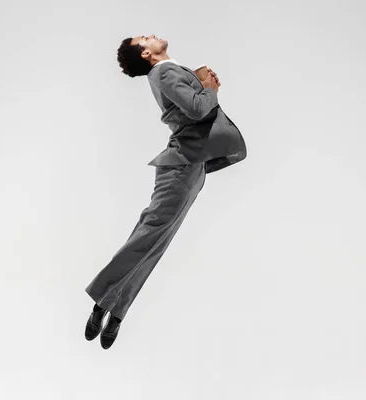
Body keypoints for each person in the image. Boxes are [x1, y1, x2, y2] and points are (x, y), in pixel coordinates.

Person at [84, 34, 247, 349]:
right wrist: (209, 88)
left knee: (156, 243)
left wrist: (199, 80)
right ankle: (102, 300)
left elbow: (191, 108)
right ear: (146, 52)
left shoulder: (170, 70)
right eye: (146, 37)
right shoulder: (164, 72)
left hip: (192, 165)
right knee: (148, 238)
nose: (153, 35)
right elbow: (199, 110)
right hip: (183, 165)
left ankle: (115, 309)